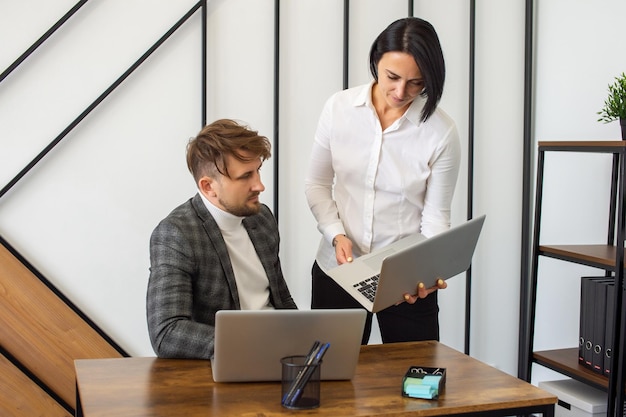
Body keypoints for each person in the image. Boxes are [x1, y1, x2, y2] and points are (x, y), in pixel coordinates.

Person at [305, 17, 461, 345]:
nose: (400, 92)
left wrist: (429, 270)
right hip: (339, 269)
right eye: (392, 77)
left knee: (417, 380)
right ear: (376, 61)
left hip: (406, 280)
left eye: (416, 83)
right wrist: (336, 235)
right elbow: (317, 184)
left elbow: (435, 218)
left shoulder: (440, 132)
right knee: (330, 378)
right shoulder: (339, 109)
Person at [147, 119, 297, 359]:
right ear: (208, 187)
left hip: (279, 354)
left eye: (258, 171)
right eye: (245, 176)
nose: (259, 185)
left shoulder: (262, 217)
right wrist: (251, 345)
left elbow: (280, 298)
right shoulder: (176, 234)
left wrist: (304, 338)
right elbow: (167, 331)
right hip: (231, 359)